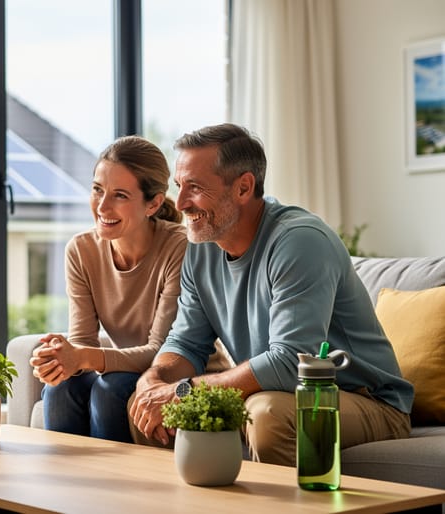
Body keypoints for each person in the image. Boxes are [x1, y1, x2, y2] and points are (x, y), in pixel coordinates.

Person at [128, 123, 413, 465]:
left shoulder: (299, 241)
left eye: (196, 187)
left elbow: (292, 360)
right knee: (142, 407)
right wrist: (154, 380)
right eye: (179, 186)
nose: (182, 203)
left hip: (361, 399)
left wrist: (182, 389)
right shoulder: (200, 248)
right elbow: (186, 343)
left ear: (244, 187)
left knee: (267, 415)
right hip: (277, 393)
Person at [29, 135, 187, 442]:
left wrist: (83, 357)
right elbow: (83, 340)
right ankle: (63, 486)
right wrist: (60, 359)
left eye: (120, 196)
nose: (102, 206)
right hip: (124, 368)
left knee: (109, 388)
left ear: (153, 203)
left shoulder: (179, 247)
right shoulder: (81, 250)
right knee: (60, 387)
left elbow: (161, 352)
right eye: (98, 189)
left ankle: (116, 487)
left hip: (178, 371)